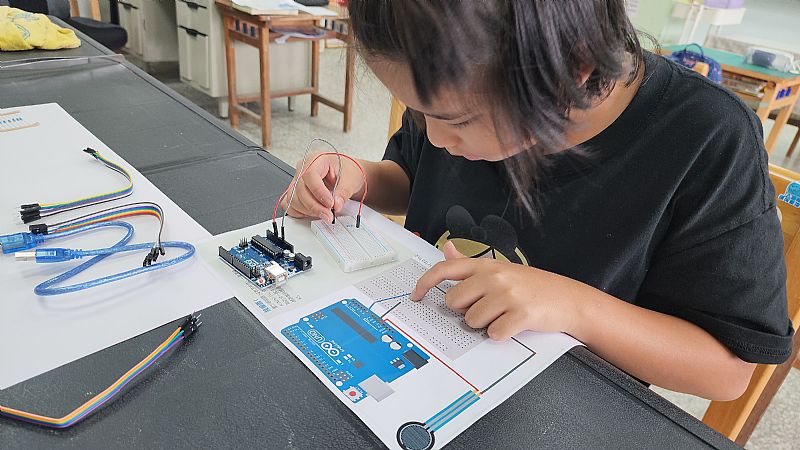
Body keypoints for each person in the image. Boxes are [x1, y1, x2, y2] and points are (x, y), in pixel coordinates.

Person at [281, 1, 793, 400]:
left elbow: (728, 371)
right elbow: (413, 176)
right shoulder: (455, 82)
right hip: (424, 362)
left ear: (572, 67)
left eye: (457, 120)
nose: (435, 137)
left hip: (558, 409)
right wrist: (358, 177)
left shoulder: (706, 138)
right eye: (418, 112)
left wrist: (573, 306)